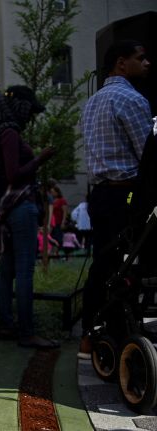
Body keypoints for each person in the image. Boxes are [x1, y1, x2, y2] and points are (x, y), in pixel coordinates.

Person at [78, 40, 152, 358]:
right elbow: (148, 157)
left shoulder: (91, 102)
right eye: (141, 57)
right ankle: (125, 332)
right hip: (127, 193)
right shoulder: (132, 99)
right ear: (121, 63)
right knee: (129, 265)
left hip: (100, 194)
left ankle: (93, 332)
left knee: (104, 263)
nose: (147, 62)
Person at [0, 85, 58, 348]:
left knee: (7, 271)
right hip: (20, 207)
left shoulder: (4, 133)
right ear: (20, 109)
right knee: (23, 271)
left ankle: (7, 325)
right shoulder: (10, 134)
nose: (31, 118)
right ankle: (26, 331)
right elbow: (15, 174)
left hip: (10, 210)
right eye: (29, 112)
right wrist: (41, 158)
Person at [48, 185, 68, 255]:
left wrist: (63, 222)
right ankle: (52, 253)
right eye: (51, 192)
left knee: (58, 238)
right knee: (51, 238)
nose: (52, 193)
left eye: (53, 192)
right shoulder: (52, 200)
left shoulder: (62, 200)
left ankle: (56, 253)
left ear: (57, 192)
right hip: (52, 223)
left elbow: (65, 212)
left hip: (58, 222)